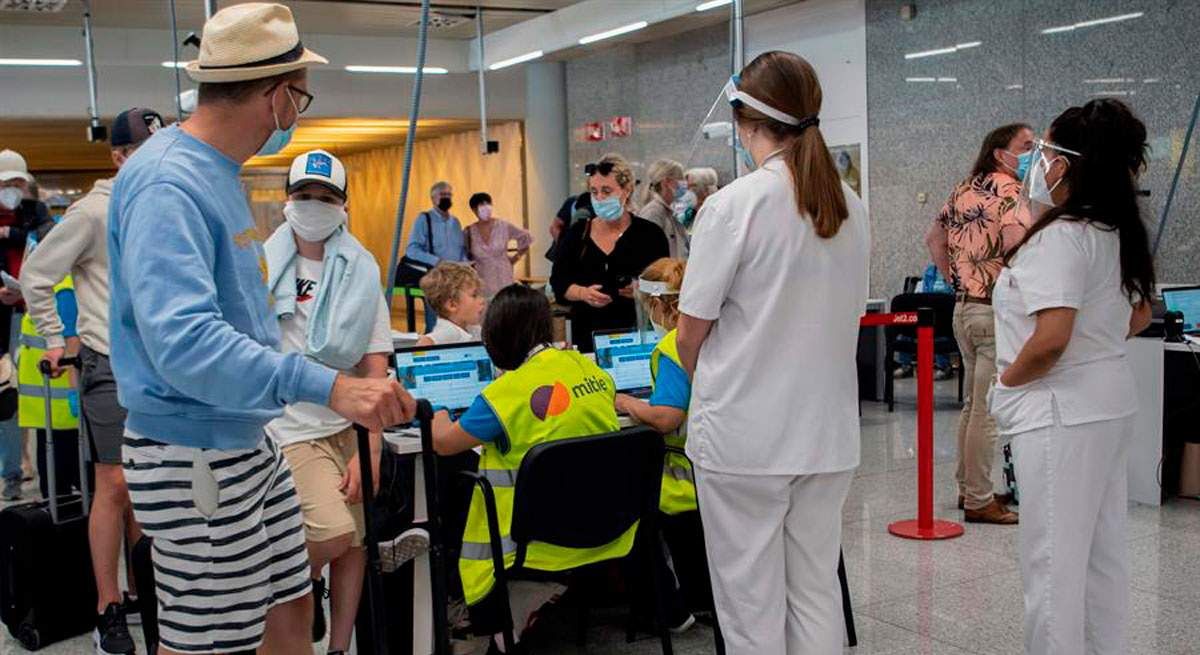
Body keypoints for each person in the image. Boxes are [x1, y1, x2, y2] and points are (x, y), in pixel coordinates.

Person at [107, 5, 415, 654]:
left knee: (291, 603)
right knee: (210, 640)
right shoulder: (169, 184)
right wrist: (329, 386)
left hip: (247, 437)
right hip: (193, 448)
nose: (297, 110)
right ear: (278, 96)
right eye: (301, 95)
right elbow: (185, 343)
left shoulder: (218, 174)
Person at [675, 51, 869, 653]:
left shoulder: (734, 206)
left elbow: (690, 331)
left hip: (745, 441)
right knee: (815, 592)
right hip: (826, 436)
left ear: (744, 121)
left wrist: (709, 379)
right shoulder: (850, 206)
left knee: (749, 603)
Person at [990, 99, 1156, 655]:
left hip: (1060, 413)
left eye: (1043, 151)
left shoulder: (1060, 236)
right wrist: (1096, 344)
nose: (1037, 162)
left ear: (1065, 164)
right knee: (1102, 558)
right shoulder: (1115, 230)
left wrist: (1006, 384)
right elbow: (1138, 316)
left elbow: (1052, 338)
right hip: (1107, 406)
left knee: (1053, 568)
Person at [20, 107, 162, 653]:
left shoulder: (160, 207)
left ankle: (145, 593)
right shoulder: (93, 212)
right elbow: (37, 275)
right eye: (142, 153)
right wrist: (56, 338)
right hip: (109, 363)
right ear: (119, 157)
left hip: (157, 367)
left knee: (151, 484)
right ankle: (108, 608)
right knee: (116, 483)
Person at [429, 284, 635, 652]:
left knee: (455, 482)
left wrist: (436, 411)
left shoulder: (506, 393)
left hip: (534, 542)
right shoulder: (588, 370)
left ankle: (488, 616)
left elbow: (444, 443)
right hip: (609, 526)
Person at [261, 149, 394, 654]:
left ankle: (338, 647)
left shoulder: (361, 267)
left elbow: (374, 362)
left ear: (344, 205)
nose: (314, 205)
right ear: (286, 200)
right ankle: (292, 592)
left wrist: (371, 445)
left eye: (326, 197)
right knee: (332, 533)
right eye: (304, 195)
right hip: (289, 428)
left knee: (355, 545)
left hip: (348, 427)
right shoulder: (261, 263)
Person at [925, 122, 1034, 525]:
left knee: (973, 405)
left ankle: (967, 486)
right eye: (1026, 145)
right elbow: (1015, 244)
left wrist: (957, 280)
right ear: (1000, 152)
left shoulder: (962, 190)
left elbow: (933, 238)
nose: (1033, 152)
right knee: (986, 410)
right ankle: (979, 499)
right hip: (993, 311)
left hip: (963, 310)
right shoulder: (1011, 192)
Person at [614, 257, 713, 617]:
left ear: (657, 305)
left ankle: (670, 607)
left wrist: (627, 402)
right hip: (716, 471)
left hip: (683, 487)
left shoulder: (671, 346)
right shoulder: (713, 333)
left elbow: (667, 418)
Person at [550, 154, 669, 352]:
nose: (599, 198)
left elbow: (666, 282)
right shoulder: (578, 234)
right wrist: (583, 293)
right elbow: (559, 282)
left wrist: (641, 291)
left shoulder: (649, 235)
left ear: (626, 190)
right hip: (587, 336)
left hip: (638, 335)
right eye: (594, 192)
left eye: (606, 191)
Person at [0, 148, 55, 501]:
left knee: (41, 393)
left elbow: (51, 247)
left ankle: (47, 468)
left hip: (37, 317)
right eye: (5, 183)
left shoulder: (37, 215)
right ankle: (12, 473)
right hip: (4, 319)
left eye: (17, 183)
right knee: (6, 396)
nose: (11, 190)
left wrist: (13, 234)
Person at [403, 181, 468, 332]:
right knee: (436, 325)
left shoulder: (455, 223)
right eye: (442, 194)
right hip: (435, 279)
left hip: (455, 281)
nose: (446, 198)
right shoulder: (424, 219)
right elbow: (412, 250)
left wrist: (465, 263)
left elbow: (461, 250)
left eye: (449, 195)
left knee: (456, 323)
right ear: (433, 198)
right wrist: (437, 261)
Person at [464, 192, 532, 298]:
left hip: (504, 277)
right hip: (482, 280)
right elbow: (465, 255)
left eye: (488, 204)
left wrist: (515, 258)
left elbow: (525, 237)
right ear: (474, 210)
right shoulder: (469, 232)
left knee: (505, 304)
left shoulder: (503, 226)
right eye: (481, 205)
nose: (486, 208)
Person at [415, 262, 486, 346]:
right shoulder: (449, 331)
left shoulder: (473, 328)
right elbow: (426, 341)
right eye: (474, 295)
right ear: (452, 305)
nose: (482, 300)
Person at [634, 158, 690, 259]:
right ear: (666, 183)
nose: (685, 185)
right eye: (681, 180)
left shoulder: (671, 212)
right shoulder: (653, 213)